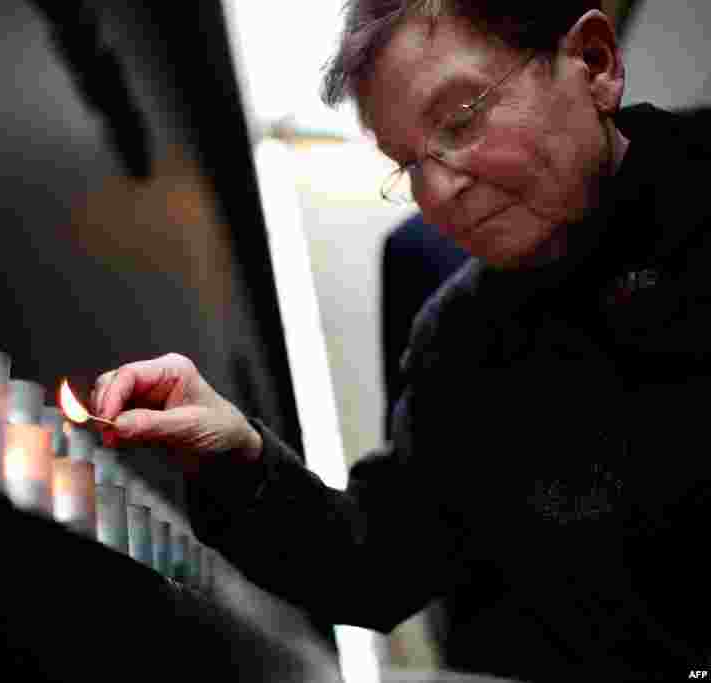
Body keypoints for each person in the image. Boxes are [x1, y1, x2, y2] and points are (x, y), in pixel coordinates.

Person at [89, 3, 711, 681]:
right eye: (408, 163)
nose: (439, 190)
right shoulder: (462, 340)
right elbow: (377, 562)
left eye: (462, 118)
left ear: (594, 62)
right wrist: (236, 457)